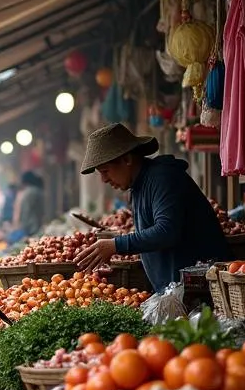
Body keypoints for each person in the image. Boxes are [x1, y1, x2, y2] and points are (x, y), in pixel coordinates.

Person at [76, 123, 230, 291]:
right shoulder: (137, 187)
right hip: (177, 292)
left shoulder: (163, 178)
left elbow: (167, 231)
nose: (104, 180)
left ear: (127, 159)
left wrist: (116, 245)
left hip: (202, 290)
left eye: (105, 171)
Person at [14, 170, 45, 238]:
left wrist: (23, 225)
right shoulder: (37, 190)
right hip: (37, 224)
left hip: (32, 226)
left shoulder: (29, 192)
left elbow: (26, 211)